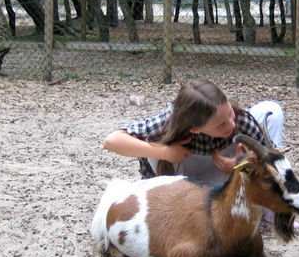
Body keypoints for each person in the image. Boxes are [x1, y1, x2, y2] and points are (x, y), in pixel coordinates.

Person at [103, 78, 285, 184]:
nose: (230, 125)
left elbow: (272, 164)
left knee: (272, 110)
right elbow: (112, 141)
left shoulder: (241, 120)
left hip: (223, 183)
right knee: (152, 143)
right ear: (195, 128)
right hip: (179, 185)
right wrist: (166, 152)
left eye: (229, 113)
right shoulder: (170, 121)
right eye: (220, 125)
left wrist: (239, 169)